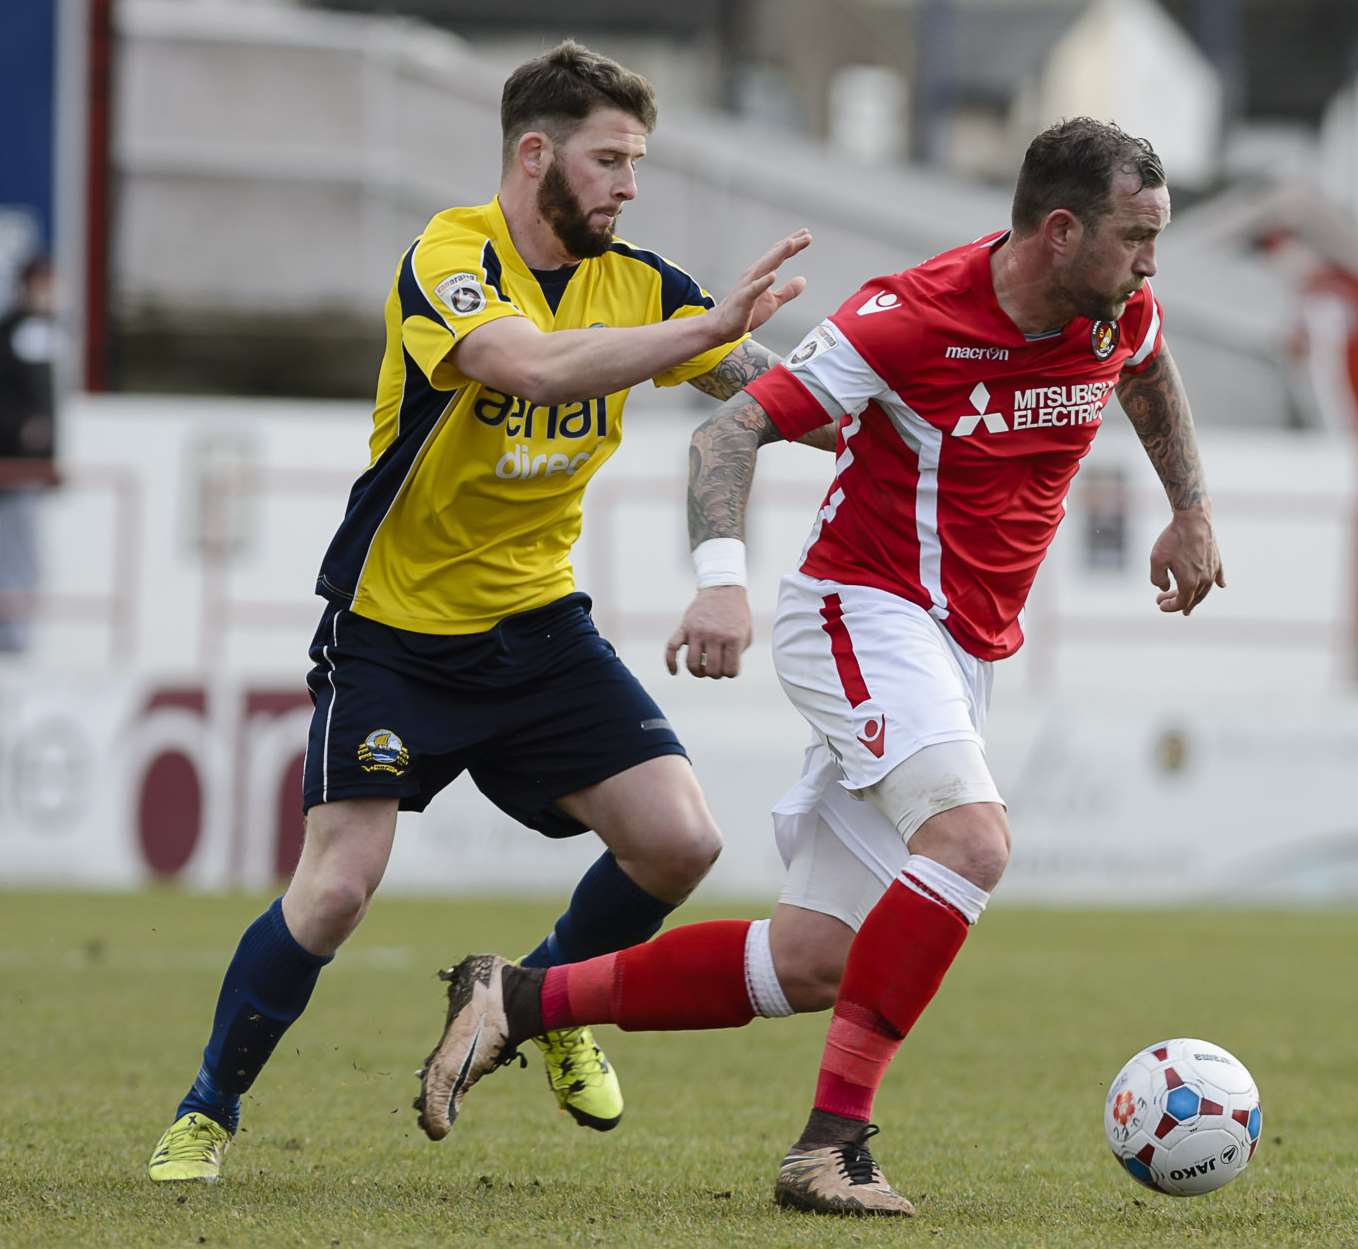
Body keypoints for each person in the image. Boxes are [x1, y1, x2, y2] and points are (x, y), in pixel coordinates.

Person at [415, 118, 1225, 1217]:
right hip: (861, 611)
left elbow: (1146, 363)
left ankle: (517, 998)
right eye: (1134, 238)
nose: (1148, 263)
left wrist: (1188, 508)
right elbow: (727, 433)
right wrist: (718, 578)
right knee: (971, 840)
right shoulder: (909, 315)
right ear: (1059, 230)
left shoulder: (1113, 307)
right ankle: (830, 1146)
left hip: (959, 649)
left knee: (810, 963)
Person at [146, 40, 817, 1182]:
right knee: (339, 885)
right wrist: (701, 336)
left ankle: (527, 1004)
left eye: (636, 163)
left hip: (540, 627)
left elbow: (768, 388)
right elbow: (528, 367)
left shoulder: (644, 286)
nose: (626, 185)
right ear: (533, 153)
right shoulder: (449, 257)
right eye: (608, 160)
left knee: (679, 839)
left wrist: (895, 393)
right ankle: (207, 1110)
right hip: (394, 631)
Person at [0, 254, 58, 654]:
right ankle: (11, 641)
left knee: (27, 557)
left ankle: (15, 638)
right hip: (14, 466)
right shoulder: (19, 331)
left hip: (28, 467)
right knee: (17, 556)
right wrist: (21, 432)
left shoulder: (39, 331)